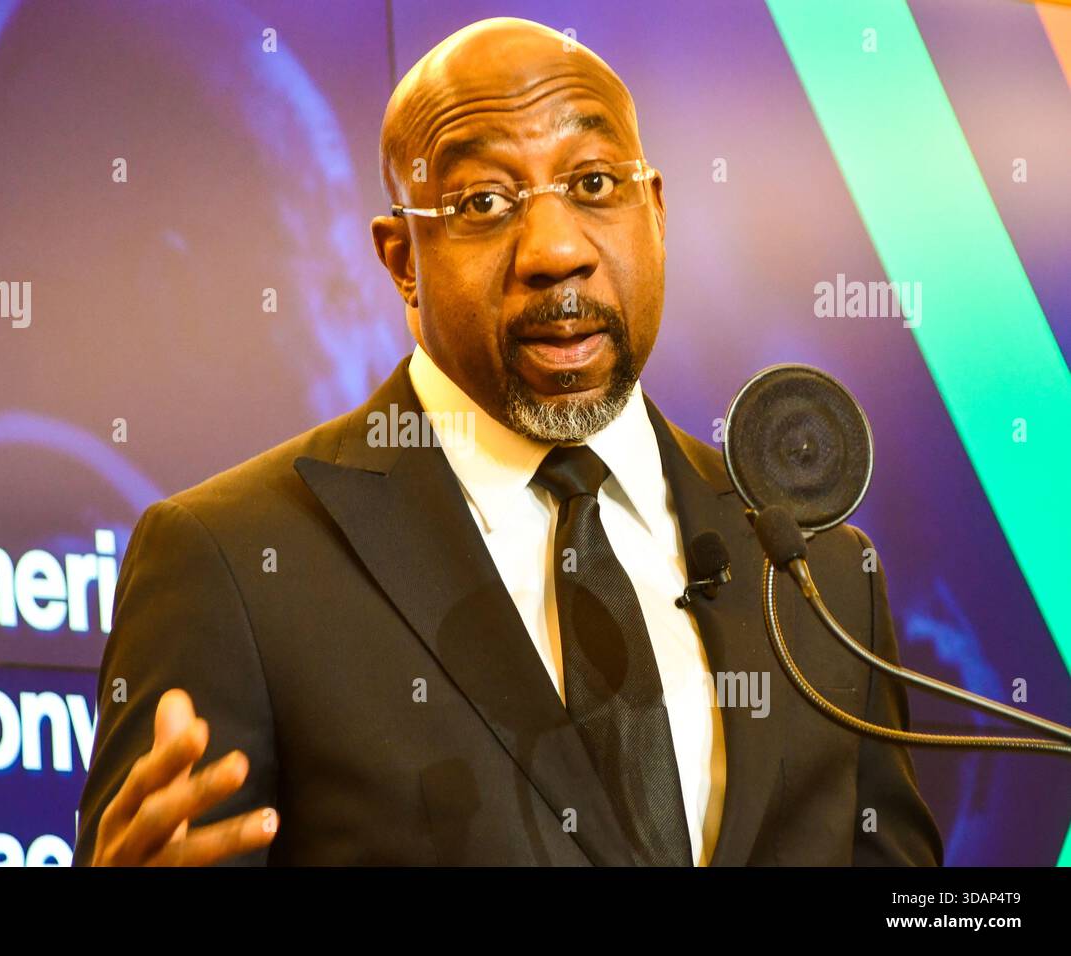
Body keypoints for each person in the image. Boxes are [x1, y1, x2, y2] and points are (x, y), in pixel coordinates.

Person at [74, 17, 943, 866]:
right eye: (482, 202)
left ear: (658, 209)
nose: (556, 249)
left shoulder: (814, 575)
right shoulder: (233, 564)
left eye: (596, 184)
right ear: (402, 261)